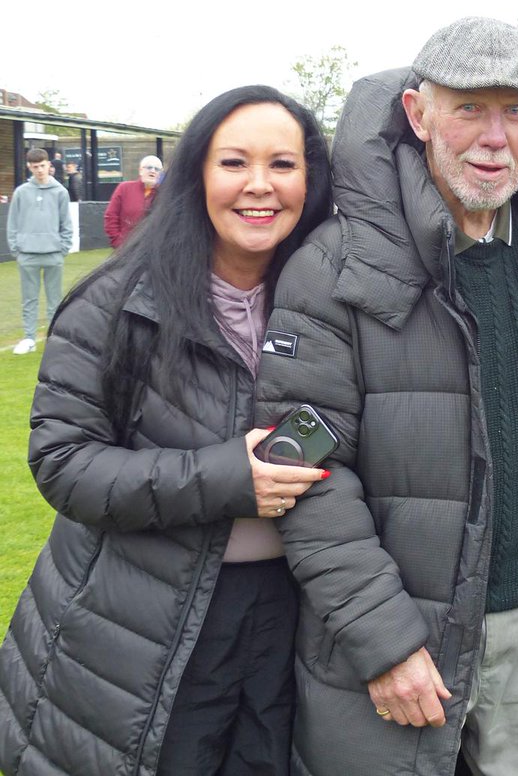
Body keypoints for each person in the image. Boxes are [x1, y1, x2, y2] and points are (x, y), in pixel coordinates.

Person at [253, 17, 518, 775]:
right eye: (468, 108)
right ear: (418, 114)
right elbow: (304, 475)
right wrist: (384, 642)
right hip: (403, 637)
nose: (494, 137)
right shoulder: (333, 268)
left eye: (514, 110)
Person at [0, 86, 332, 775]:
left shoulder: (330, 304)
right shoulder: (118, 302)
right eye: (234, 162)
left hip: (288, 619)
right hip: (143, 621)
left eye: (283, 164)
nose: (260, 185)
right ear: (196, 175)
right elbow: (64, 462)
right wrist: (226, 478)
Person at [7, 147, 72, 355]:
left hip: (53, 254)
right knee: (29, 300)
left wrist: (62, 249)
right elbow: (12, 224)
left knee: (54, 300)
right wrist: (17, 251)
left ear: (49, 165)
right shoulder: (21, 192)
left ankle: (53, 338)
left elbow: (66, 224)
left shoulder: (60, 192)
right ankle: (29, 338)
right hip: (27, 255)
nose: (40, 170)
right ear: (29, 167)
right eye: (35, 167)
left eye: (43, 166)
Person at [104, 154, 163, 247]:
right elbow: (111, 216)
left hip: (153, 248)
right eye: (149, 167)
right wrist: (118, 242)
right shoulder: (124, 188)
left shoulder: (164, 193)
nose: (153, 171)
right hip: (126, 248)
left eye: (157, 169)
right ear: (140, 170)